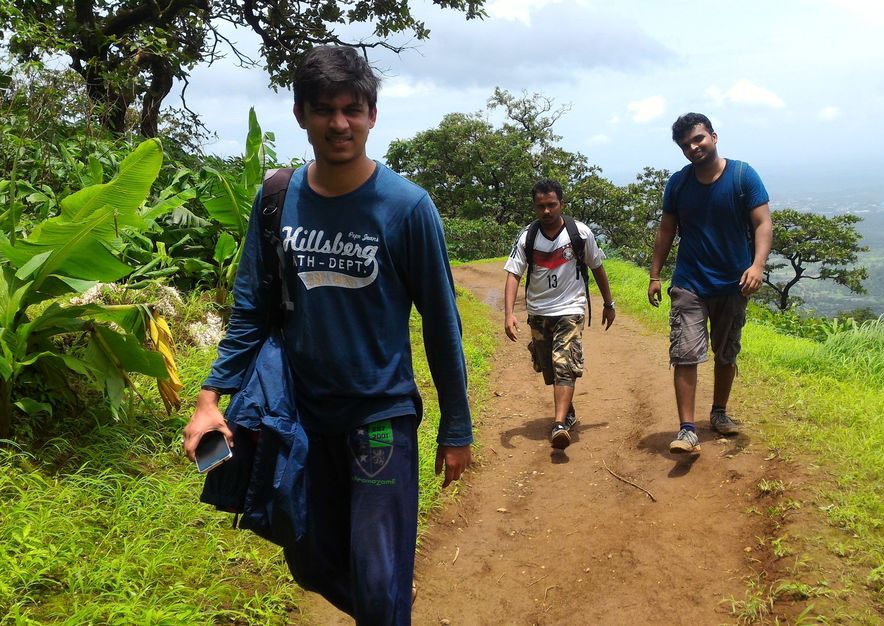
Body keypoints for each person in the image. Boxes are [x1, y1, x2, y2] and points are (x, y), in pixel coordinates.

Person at [182, 45, 472, 625]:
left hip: (380, 418)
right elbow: (251, 311)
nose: (339, 123)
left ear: (372, 114)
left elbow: (442, 323)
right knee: (308, 560)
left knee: (379, 571)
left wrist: (457, 426)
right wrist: (209, 400)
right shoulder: (276, 200)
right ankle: (381, 608)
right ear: (301, 115)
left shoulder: (407, 208)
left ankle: (383, 606)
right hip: (301, 419)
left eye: (352, 109)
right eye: (324, 110)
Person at [647, 112, 773, 454]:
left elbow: (762, 223)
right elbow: (666, 231)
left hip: (733, 283)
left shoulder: (743, 176)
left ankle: (719, 412)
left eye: (698, 139)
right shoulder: (678, 183)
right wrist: (656, 275)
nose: (693, 147)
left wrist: (757, 265)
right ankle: (687, 429)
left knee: (726, 352)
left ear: (713, 137)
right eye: (686, 144)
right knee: (685, 353)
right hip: (690, 282)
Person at [503, 179, 615, 450]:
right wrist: (509, 313)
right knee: (550, 368)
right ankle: (568, 411)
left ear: (561, 204)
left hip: (571, 309)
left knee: (565, 363)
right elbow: (514, 273)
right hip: (539, 312)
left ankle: (559, 424)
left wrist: (608, 304)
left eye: (551, 205)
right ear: (534, 206)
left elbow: (597, 267)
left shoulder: (581, 234)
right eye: (541, 206)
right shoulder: (528, 236)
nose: (546, 211)